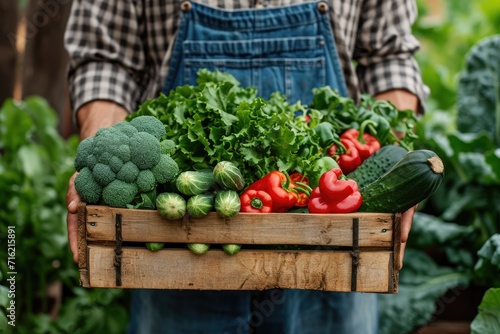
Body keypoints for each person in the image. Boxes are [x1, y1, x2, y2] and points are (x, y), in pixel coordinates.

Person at [64, 0, 427, 333]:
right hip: (177, 247)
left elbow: (389, 56)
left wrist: (395, 168)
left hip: (332, 254)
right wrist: (104, 164)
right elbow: (104, 58)